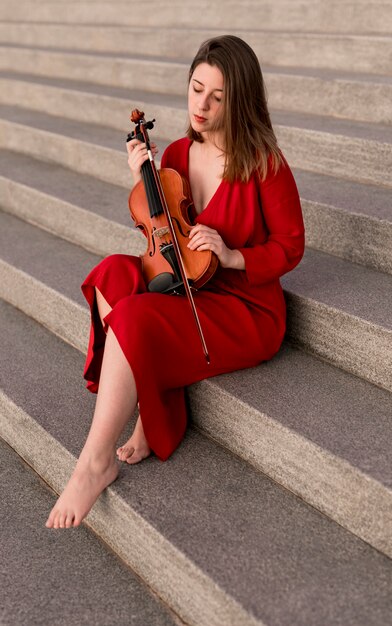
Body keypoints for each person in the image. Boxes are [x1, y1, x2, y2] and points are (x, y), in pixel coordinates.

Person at [45, 35, 305, 529]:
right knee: (112, 274)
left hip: (241, 305)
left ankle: (94, 463)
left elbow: (291, 245)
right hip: (187, 283)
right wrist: (144, 176)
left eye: (217, 97)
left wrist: (233, 255)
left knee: (135, 314)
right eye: (195, 89)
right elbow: (164, 238)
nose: (201, 105)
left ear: (240, 100)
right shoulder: (178, 155)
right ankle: (152, 391)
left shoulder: (265, 164)